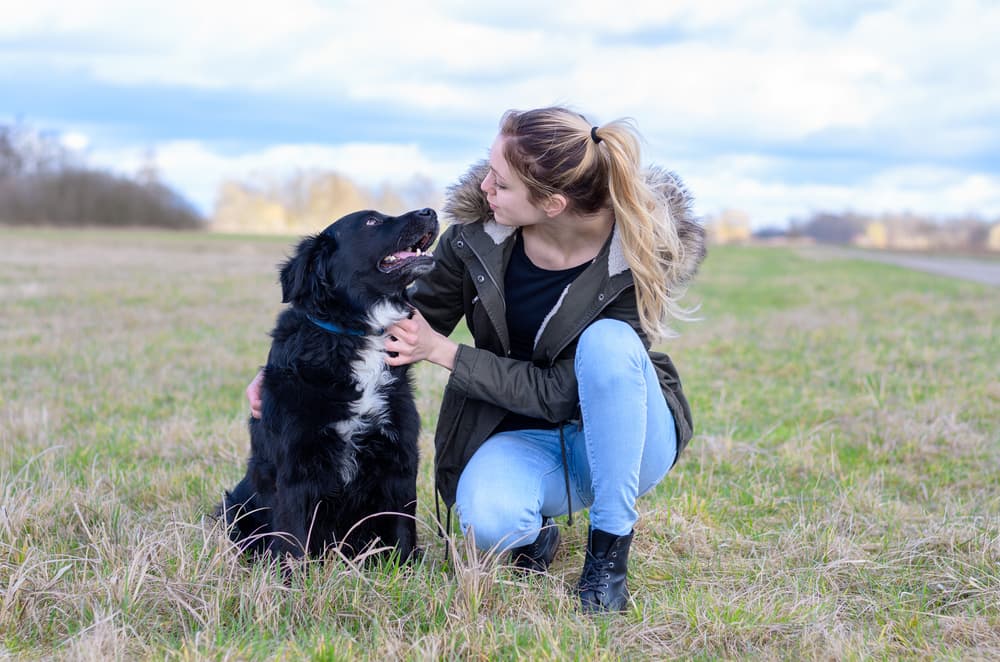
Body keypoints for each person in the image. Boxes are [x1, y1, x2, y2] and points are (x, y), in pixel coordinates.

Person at [247, 106, 706, 612]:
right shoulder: (473, 241)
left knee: (609, 344)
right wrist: (286, 375)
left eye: (501, 183)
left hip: (631, 438)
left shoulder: (632, 257)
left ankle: (608, 554)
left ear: (551, 203)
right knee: (487, 522)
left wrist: (445, 353)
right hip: (533, 442)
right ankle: (533, 532)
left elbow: (560, 392)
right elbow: (393, 326)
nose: (486, 187)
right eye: (488, 169)